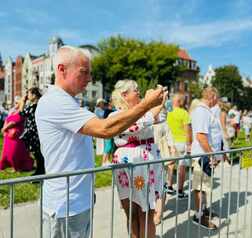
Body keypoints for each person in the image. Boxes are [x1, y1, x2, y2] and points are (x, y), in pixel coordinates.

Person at [35, 46, 165, 238]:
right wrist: (147, 104)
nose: (89, 79)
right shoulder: (55, 102)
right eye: (84, 72)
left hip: (77, 200)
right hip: (66, 204)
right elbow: (105, 129)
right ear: (62, 69)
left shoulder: (68, 101)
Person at [110, 80, 166, 238]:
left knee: (146, 211)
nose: (139, 92)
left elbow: (159, 117)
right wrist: (151, 103)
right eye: (136, 90)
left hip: (142, 160)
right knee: (134, 212)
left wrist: (157, 101)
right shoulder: (116, 115)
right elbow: (136, 125)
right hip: (135, 161)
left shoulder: (143, 112)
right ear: (124, 95)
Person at [190, 86, 218, 229]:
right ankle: (199, 216)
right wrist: (211, 154)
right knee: (200, 187)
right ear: (212, 96)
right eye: (216, 97)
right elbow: (201, 136)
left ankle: (204, 210)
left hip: (204, 154)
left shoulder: (204, 111)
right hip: (202, 155)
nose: (217, 101)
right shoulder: (201, 111)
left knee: (205, 186)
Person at [166, 93, 192, 199]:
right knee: (182, 166)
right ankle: (180, 191)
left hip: (171, 141)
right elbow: (188, 130)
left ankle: (169, 185)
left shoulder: (169, 112)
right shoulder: (184, 113)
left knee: (171, 164)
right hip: (181, 142)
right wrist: (189, 144)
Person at [0, 97, 33, 171]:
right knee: (7, 152)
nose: (15, 104)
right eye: (15, 102)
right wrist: (4, 127)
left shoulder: (21, 112)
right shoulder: (13, 111)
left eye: (17, 103)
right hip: (8, 136)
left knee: (14, 152)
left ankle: (17, 167)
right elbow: (7, 119)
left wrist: (5, 128)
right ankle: (10, 165)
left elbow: (15, 121)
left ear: (20, 104)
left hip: (16, 136)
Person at [19, 87, 45, 176]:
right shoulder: (37, 105)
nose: (27, 96)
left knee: (37, 152)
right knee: (37, 152)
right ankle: (40, 170)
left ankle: (40, 171)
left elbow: (21, 114)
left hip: (35, 133)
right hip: (34, 132)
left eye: (29, 94)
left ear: (34, 95)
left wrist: (22, 101)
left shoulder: (34, 106)